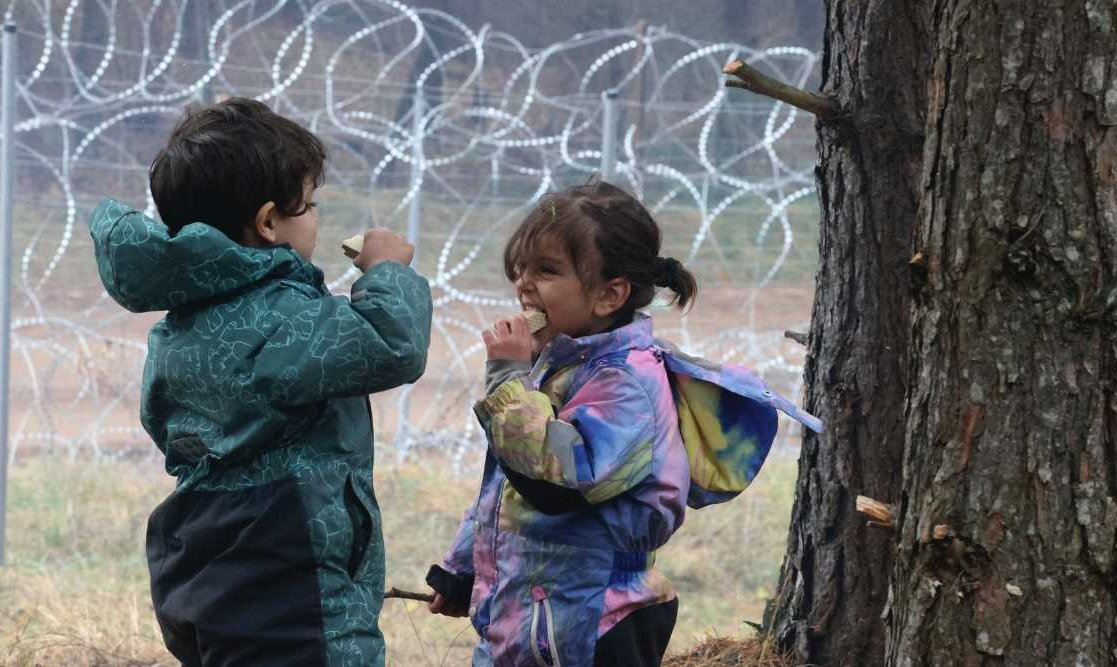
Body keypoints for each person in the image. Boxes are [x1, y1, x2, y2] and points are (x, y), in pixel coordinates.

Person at [88, 97, 432, 667]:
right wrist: (387, 271)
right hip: (292, 580)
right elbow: (393, 344)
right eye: (310, 205)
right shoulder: (274, 319)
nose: (317, 217)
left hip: (206, 568)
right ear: (270, 221)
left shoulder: (185, 320)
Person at [425, 180, 821, 667]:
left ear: (610, 294)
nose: (524, 284)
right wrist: (462, 569)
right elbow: (505, 486)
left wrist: (508, 381)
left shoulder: (626, 383)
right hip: (531, 615)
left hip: (597, 624)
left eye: (546, 270)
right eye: (519, 269)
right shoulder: (559, 367)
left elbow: (559, 483)